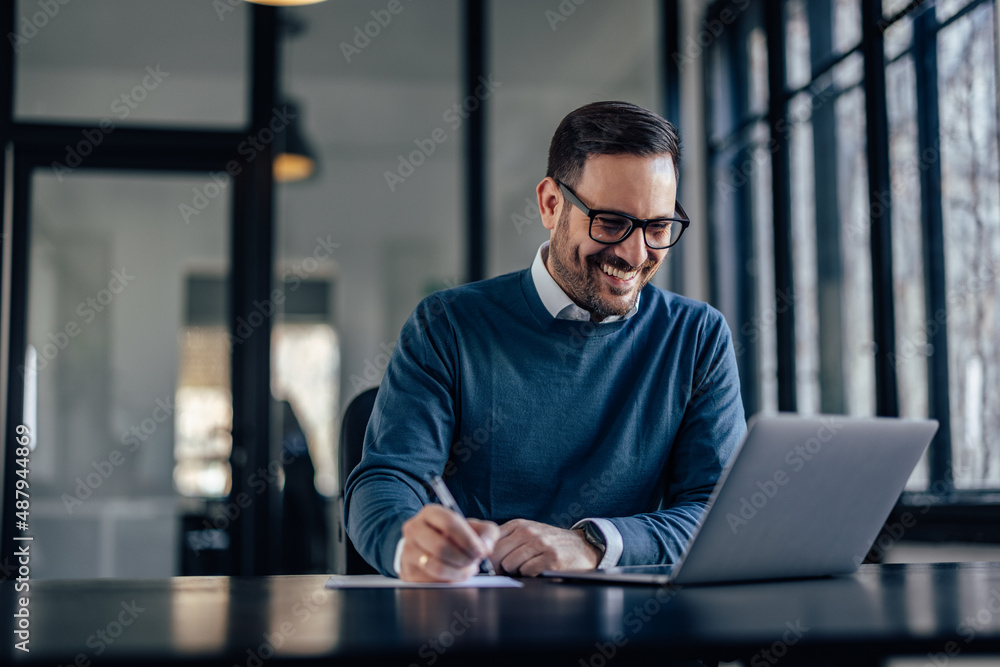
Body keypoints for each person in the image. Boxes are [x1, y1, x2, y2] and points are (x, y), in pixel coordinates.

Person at [345, 101, 746, 582]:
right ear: (551, 205)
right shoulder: (448, 324)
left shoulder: (697, 337)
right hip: (478, 631)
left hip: (637, 634)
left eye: (657, 228)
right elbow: (386, 481)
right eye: (611, 223)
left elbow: (720, 514)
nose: (636, 254)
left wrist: (592, 544)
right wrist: (408, 543)